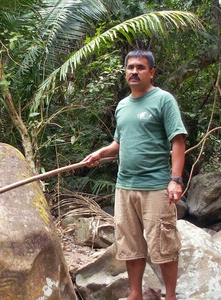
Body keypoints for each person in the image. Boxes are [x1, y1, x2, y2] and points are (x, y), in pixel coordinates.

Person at [82, 50, 186, 300]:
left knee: (164, 245)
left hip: (156, 187)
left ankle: (170, 296)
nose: (134, 72)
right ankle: (135, 293)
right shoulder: (122, 105)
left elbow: (178, 140)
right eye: (130, 67)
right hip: (125, 186)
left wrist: (175, 179)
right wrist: (100, 153)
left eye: (140, 67)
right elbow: (119, 143)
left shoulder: (163, 100)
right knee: (130, 244)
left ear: (152, 72)